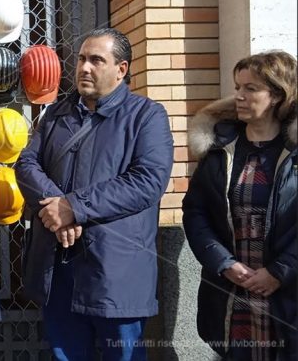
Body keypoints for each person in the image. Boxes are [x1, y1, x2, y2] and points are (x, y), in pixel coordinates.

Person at [15, 27, 174, 360]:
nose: (84, 67)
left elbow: (147, 181)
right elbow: (27, 164)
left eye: (96, 60)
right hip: (58, 267)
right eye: (82, 59)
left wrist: (74, 207)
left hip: (114, 271)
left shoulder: (146, 116)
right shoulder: (56, 114)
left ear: (121, 69)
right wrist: (57, 210)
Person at [183, 50, 296, 360]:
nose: (239, 97)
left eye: (251, 88)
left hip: (287, 293)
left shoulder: (293, 154)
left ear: (275, 95)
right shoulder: (221, 150)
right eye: (237, 87)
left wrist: (280, 271)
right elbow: (195, 212)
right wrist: (224, 263)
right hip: (232, 291)